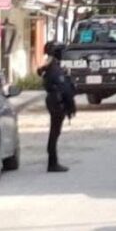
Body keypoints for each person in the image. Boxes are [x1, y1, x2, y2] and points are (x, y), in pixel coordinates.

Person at [37, 42, 76, 172]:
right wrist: (70, 106)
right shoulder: (54, 68)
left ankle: (52, 161)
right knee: (54, 132)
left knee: (55, 132)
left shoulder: (51, 66)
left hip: (54, 101)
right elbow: (64, 89)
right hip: (56, 102)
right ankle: (52, 162)